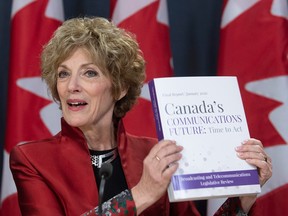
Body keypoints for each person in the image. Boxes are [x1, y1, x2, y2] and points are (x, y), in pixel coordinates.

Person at [10, 16, 272, 216]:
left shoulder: (154, 153)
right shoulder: (32, 160)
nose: (71, 85)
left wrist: (243, 197)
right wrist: (142, 193)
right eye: (63, 74)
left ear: (121, 87)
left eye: (89, 73)